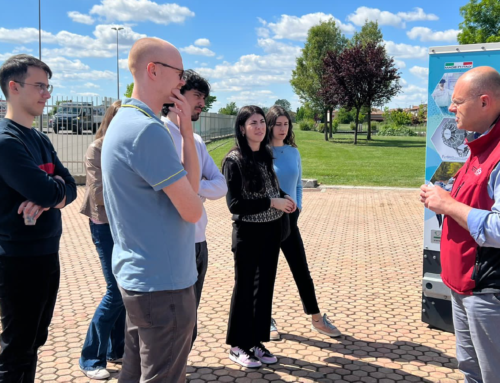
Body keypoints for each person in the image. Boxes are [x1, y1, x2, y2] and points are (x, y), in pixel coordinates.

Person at [101, 38, 203, 383]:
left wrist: (186, 132)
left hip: (141, 277)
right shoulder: (147, 131)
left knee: (133, 372)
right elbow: (192, 209)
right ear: (153, 70)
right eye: (179, 73)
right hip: (164, 285)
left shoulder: (126, 122)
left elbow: (189, 188)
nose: (182, 83)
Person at [0, 54, 77, 382]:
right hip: (18, 260)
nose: (47, 94)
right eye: (40, 86)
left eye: (49, 86)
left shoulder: (41, 139)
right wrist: (53, 192)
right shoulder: (6, 141)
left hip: (47, 254)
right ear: (14, 87)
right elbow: (49, 192)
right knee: (17, 348)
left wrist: (54, 190)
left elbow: (70, 188)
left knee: (34, 340)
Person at [421, 66, 500, 383]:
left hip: (486, 289)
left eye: (458, 102)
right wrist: (444, 196)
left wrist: (449, 204)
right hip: (462, 282)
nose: (451, 109)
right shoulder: (479, 146)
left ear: (485, 102)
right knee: (471, 371)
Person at [223, 105, 296, 368]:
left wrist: (284, 197)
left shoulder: (265, 154)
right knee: (244, 288)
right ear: (242, 128)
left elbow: (272, 186)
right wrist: (271, 202)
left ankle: (256, 341)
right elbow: (235, 205)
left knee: (264, 289)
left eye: (262, 122)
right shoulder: (234, 160)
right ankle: (238, 345)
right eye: (253, 123)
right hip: (247, 234)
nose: (260, 127)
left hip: (271, 231)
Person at [160, 70, 227, 348]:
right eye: (197, 96)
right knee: (171, 322)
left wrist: (190, 186)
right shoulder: (160, 134)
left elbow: (221, 185)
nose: (202, 103)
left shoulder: (196, 141)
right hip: (173, 243)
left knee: (190, 319)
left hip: (199, 240)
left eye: (204, 98)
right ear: (177, 95)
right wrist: (194, 185)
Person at [266, 105, 342, 340]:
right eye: (277, 124)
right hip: (266, 220)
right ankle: (264, 318)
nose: (282, 128)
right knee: (267, 273)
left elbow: (298, 183)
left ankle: (317, 319)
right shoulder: (260, 152)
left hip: (290, 219)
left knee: (301, 270)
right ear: (269, 125)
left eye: (285, 124)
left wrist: (298, 206)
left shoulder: (293, 152)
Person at [79, 101, 125, 380]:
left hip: (127, 226)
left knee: (124, 288)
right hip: (105, 225)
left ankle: (115, 349)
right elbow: (98, 194)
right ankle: (90, 357)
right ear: (111, 119)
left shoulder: (131, 149)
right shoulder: (98, 148)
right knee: (116, 291)